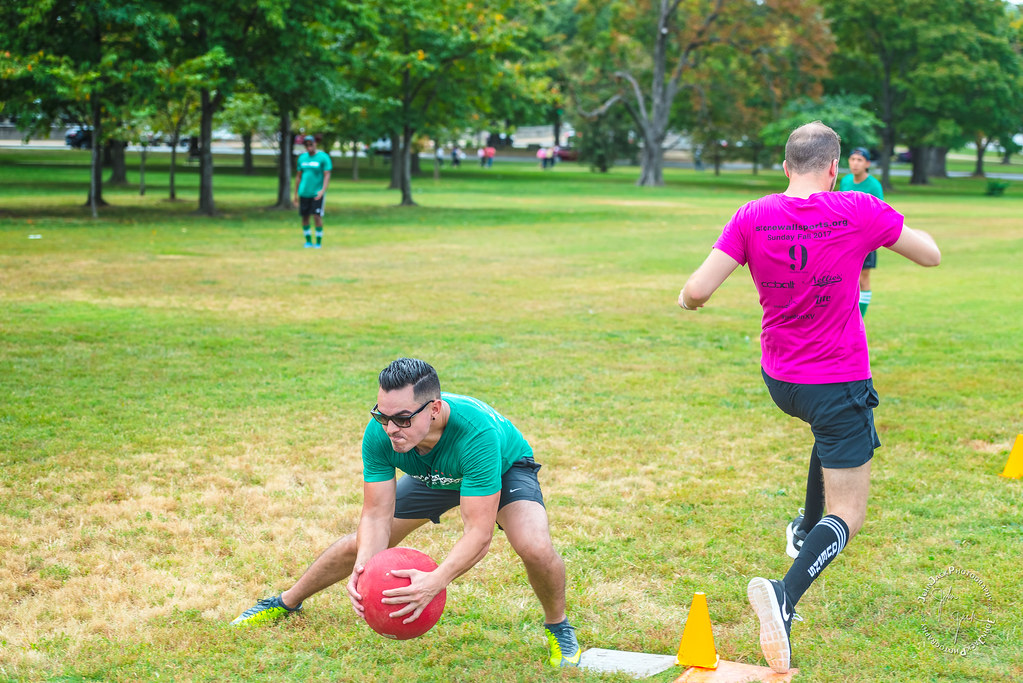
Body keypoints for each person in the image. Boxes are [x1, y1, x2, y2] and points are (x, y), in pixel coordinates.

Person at [678, 122, 940, 673]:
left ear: (784, 166)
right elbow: (931, 255)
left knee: (827, 435)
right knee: (850, 511)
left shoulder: (752, 215)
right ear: (833, 168)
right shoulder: (857, 209)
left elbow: (697, 290)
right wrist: (875, 229)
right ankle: (785, 594)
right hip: (836, 380)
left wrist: (690, 302)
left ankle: (805, 523)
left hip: (782, 380)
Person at [231, 358, 582, 668]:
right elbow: (375, 516)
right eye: (382, 416)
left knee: (533, 545)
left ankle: (558, 626)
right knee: (360, 545)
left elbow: (479, 532)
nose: (390, 430)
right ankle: (286, 602)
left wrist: (435, 581)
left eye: (401, 418)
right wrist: (364, 570)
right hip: (433, 476)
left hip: (501, 470)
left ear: (434, 409)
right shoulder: (382, 433)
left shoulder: (477, 434)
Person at [839, 147, 885, 316]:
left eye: (859, 160)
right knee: (845, 278)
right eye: (852, 159)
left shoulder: (874, 185)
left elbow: (880, 213)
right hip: (845, 239)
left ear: (867, 163)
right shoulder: (845, 181)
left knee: (863, 279)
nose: (855, 163)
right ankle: (846, 315)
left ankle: (860, 317)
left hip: (865, 239)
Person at [294, 135, 332, 248]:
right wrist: (295, 194)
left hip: (317, 193)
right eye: (306, 144)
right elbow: (298, 177)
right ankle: (308, 241)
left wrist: (323, 190)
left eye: (311, 144)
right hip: (304, 192)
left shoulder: (323, 157)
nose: (309, 146)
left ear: (315, 144)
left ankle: (318, 242)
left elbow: (327, 175)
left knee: (316, 216)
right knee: (305, 217)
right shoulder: (302, 158)